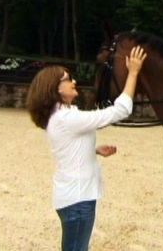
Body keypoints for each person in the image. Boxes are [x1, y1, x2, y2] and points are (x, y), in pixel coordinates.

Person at [26, 46, 147, 251]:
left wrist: (94, 150)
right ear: (55, 88)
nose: (74, 82)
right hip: (78, 201)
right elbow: (120, 110)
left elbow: (67, 149)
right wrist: (133, 73)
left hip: (73, 199)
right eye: (67, 79)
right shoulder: (67, 118)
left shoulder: (60, 117)